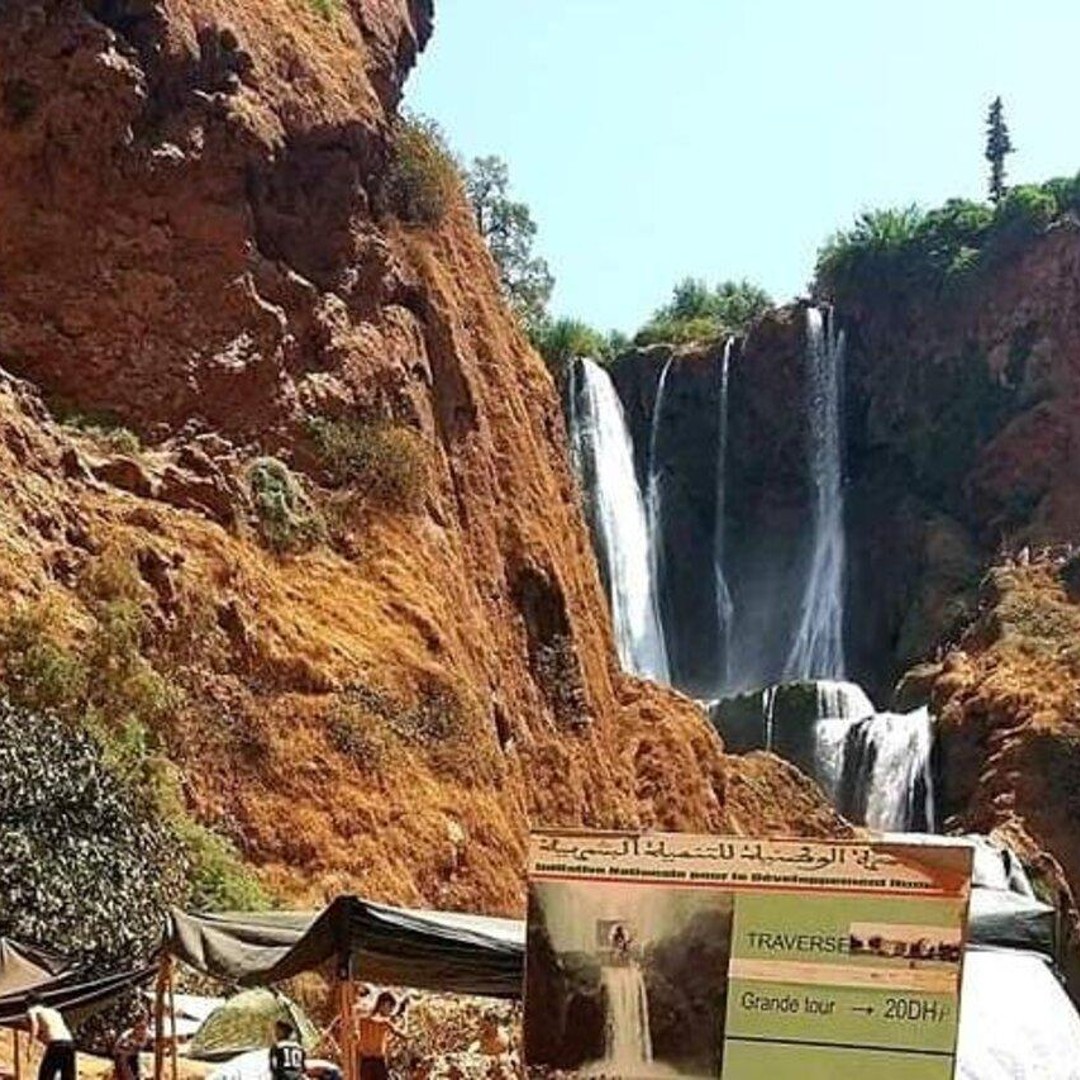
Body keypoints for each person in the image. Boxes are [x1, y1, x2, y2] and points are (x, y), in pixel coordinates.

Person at [355, 992, 406, 1080]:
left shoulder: (363, 1019)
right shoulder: (383, 1023)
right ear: (383, 1004)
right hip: (373, 1062)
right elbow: (402, 1034)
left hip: (370, 1061)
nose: (390, 1011)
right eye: (390, 1007)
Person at [25, 995, 75, 1080]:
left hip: (56, 1044)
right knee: (68, 1076)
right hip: (69, 1043)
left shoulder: (32, 1010)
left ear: (29, 1003)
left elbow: (35, 1026)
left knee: (46, 1075)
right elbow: (53, 1029)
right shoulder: (54, 1012)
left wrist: (30, 1046)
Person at [113, 1015, 149, 1080]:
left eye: (143, 1028)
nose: (141, 1031)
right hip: (121, 1055)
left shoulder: (145, 1035)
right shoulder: (127, 1035)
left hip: (133, 1055)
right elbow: (117, 1049)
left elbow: (141, 1046)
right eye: (139, 1028)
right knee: (124, 1060)